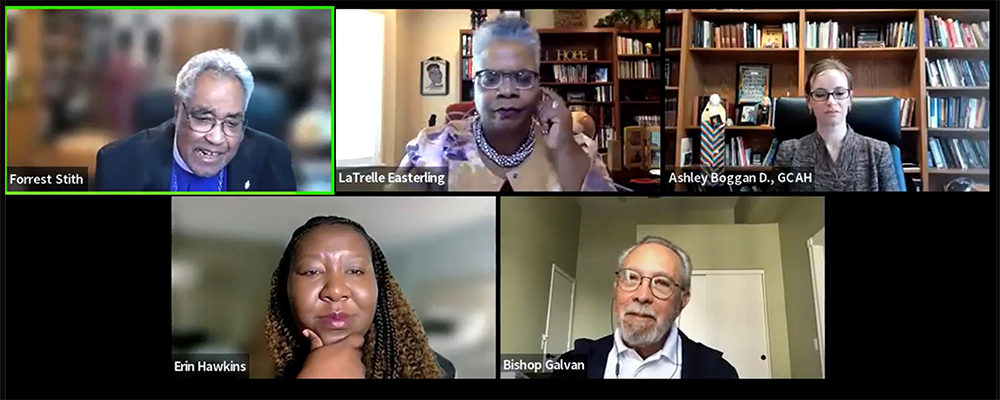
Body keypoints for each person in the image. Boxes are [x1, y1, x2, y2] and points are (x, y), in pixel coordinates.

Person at [393, 16, 616, 191]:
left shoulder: (579, 148)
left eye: (523, 77)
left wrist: (565, 150)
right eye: (490, 78)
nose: (507, 91)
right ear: (474, 84)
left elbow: (608, 223)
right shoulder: (432, 148)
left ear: (540, 85)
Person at [265, 216, 456, 378]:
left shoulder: (438, 370)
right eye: (312, 271)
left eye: (355, 270)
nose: (335, 291)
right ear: (286, 290)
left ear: (378, 285)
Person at [94, 49, 296, 191]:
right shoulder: (119, 162)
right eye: (203, 118)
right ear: (177, 107)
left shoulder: (274, 159)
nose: (217, 138)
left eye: (232, 123)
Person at [550, 236, 738, 379]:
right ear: (616, 287)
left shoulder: (718, 372)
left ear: (683, 300)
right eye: (631, 278)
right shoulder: (571, 365)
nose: (642, 296)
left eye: (661, 283)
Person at [771, 58, 901, 191]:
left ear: (850, 99)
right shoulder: (789, 152)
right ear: (809, 101)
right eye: (821, 94)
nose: (831, 101)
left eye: (839, 93)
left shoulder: (878, 152)